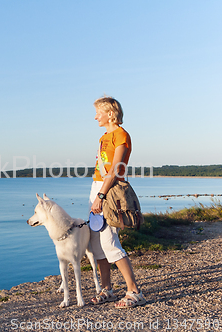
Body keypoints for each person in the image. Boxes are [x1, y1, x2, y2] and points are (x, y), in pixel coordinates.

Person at [89, 96, 146, 308]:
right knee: (96, 243)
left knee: (110, 242)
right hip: (97, 187)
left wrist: (101, 195)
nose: (95, 117)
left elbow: (115, 169)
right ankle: (107, 289)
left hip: (109, 191)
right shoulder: (104, 137)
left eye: (98, 113)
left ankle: (134, 291)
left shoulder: (121, 135)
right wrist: (96, 193)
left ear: (110, 113)